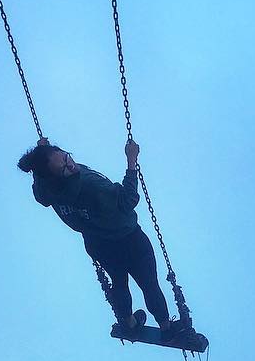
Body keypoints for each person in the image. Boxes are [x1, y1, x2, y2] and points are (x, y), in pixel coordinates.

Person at [18, 136, 186, 339]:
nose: (70, 165)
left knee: (119, 282)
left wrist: (41, 159)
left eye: (65, 157)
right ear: (55, 177)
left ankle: (130, 323)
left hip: (97, 243)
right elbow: (128, 200)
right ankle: (166, 328)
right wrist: (131, 161)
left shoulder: (47, 188)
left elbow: (40, 196)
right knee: (148, 283)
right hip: (129, 240)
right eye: (63, 168)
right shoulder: (92, 186)